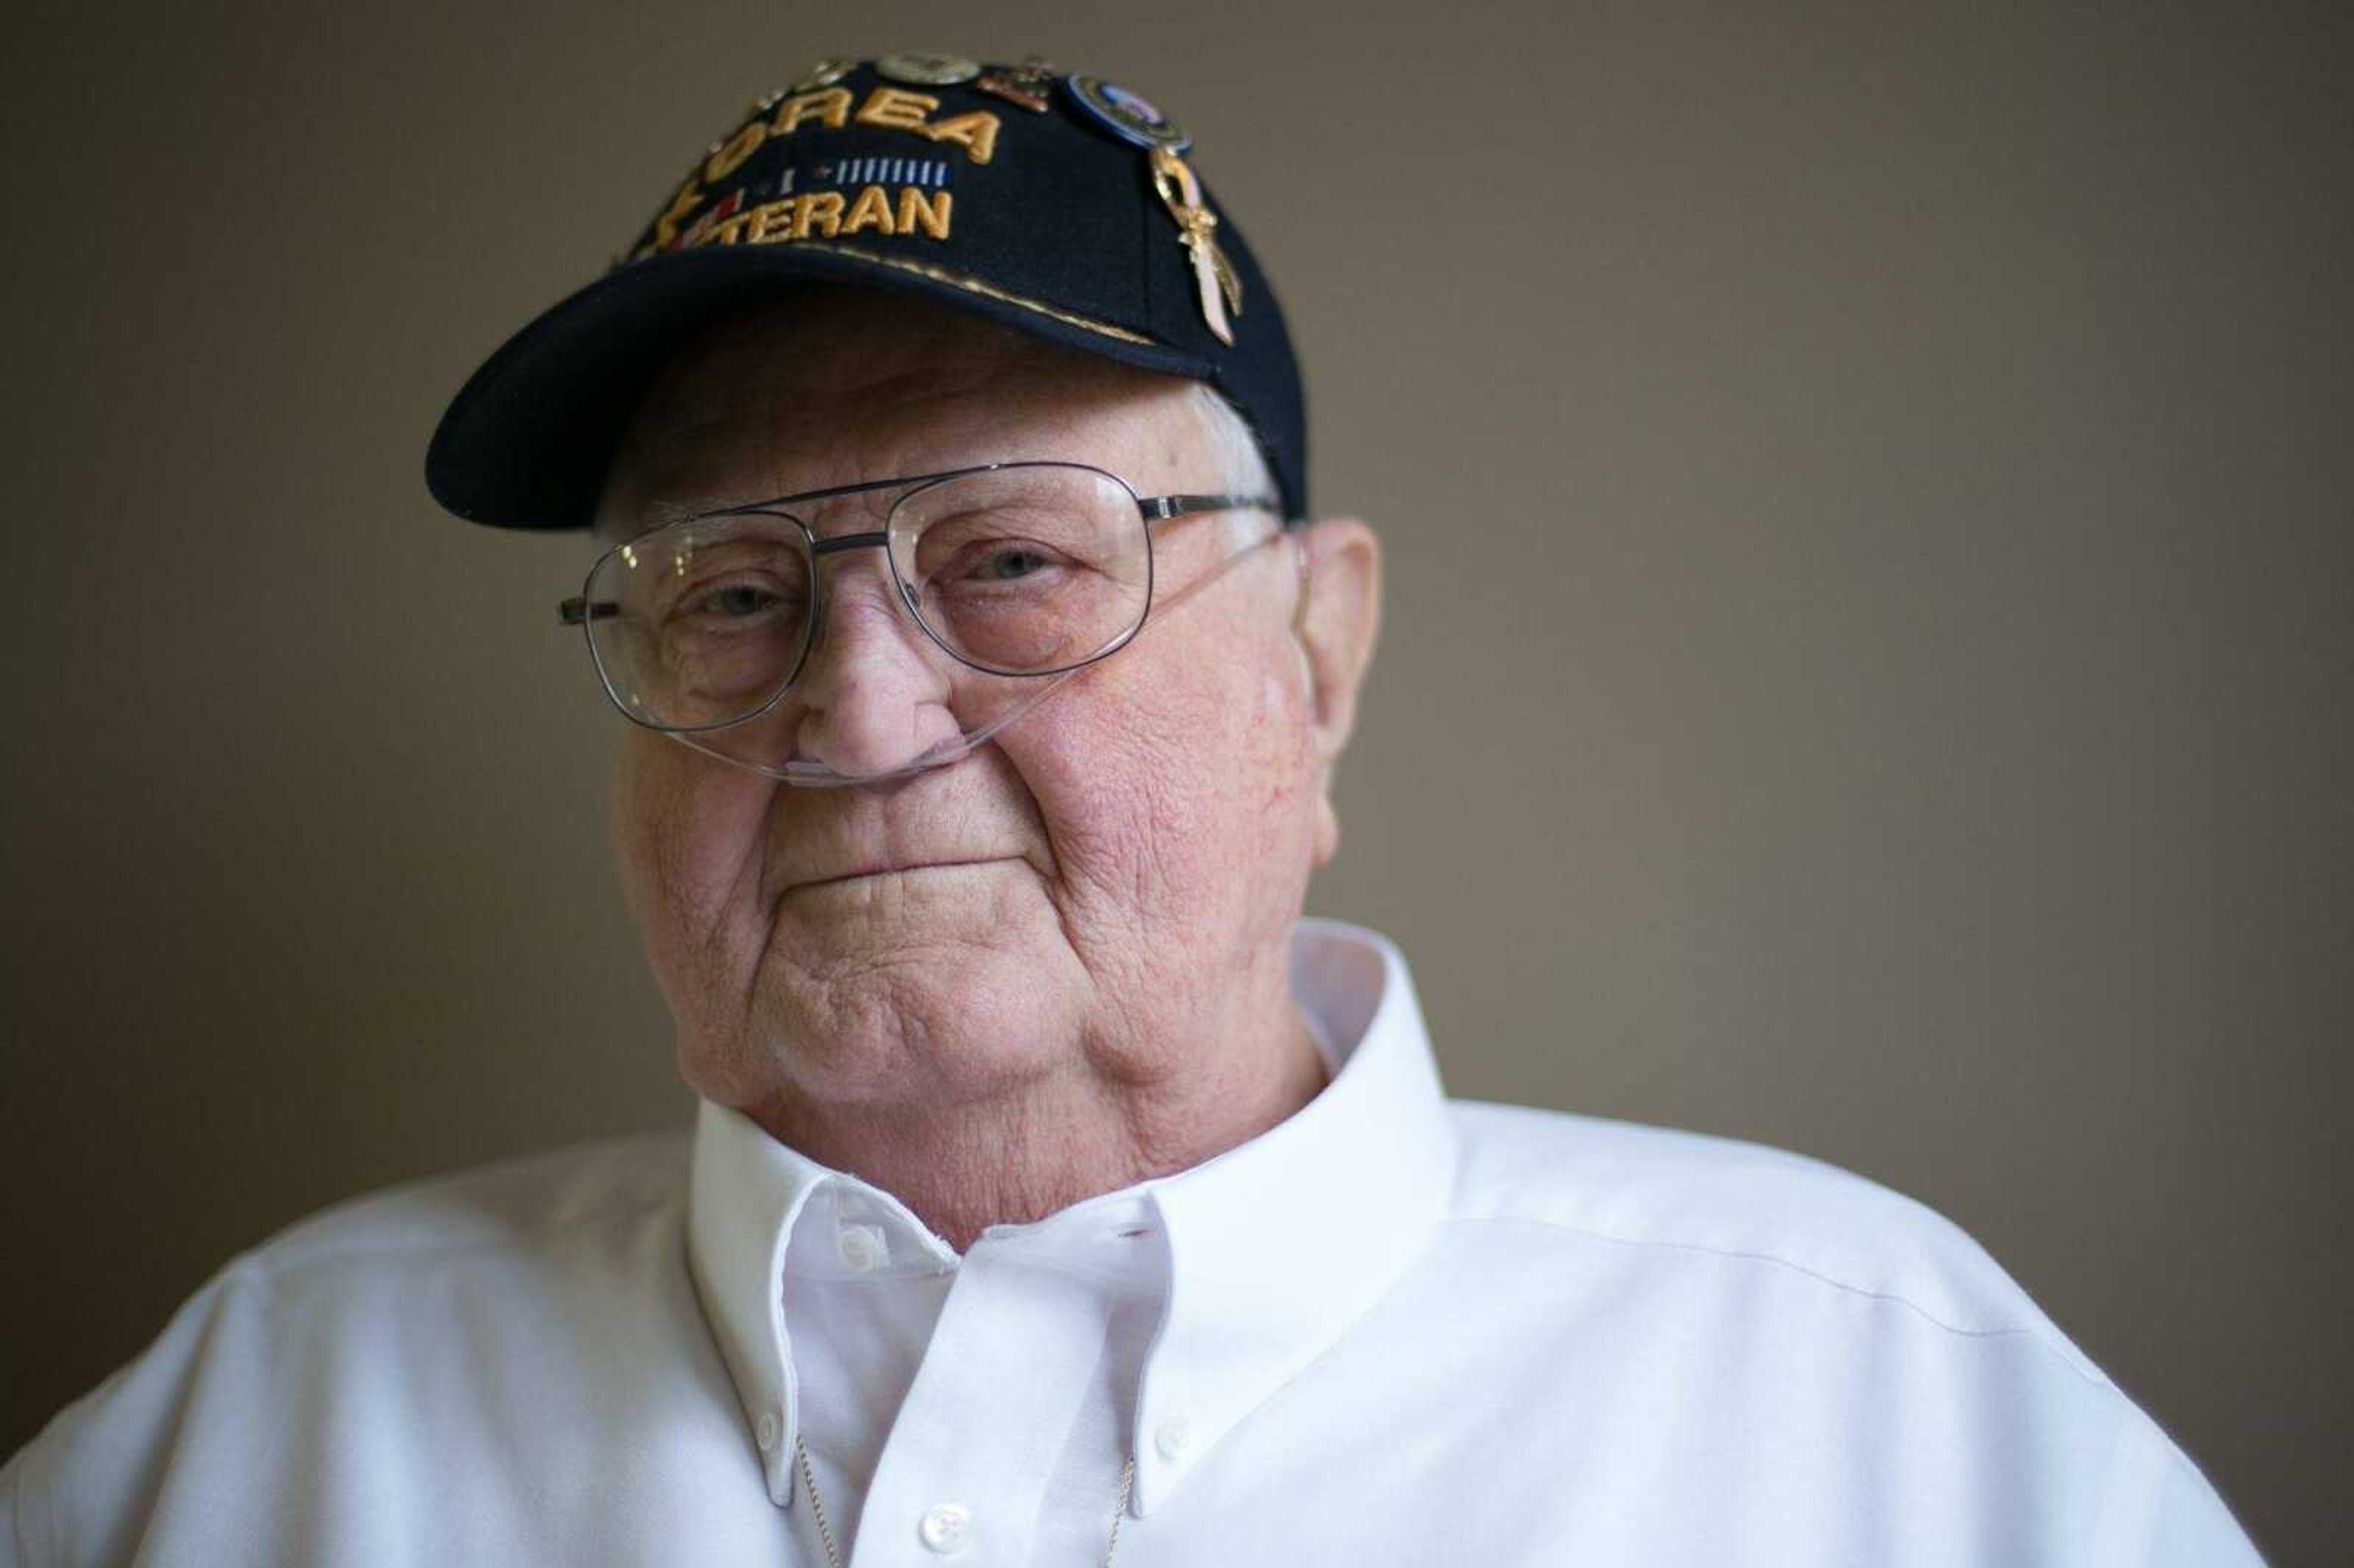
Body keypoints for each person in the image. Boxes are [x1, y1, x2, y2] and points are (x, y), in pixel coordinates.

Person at [1, 51, 2261, 1568]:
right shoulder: (257, 1427)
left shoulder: (1878, 1421)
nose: (860, 711)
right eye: (735, 593)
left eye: (1012, 558)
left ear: (1318, 657)